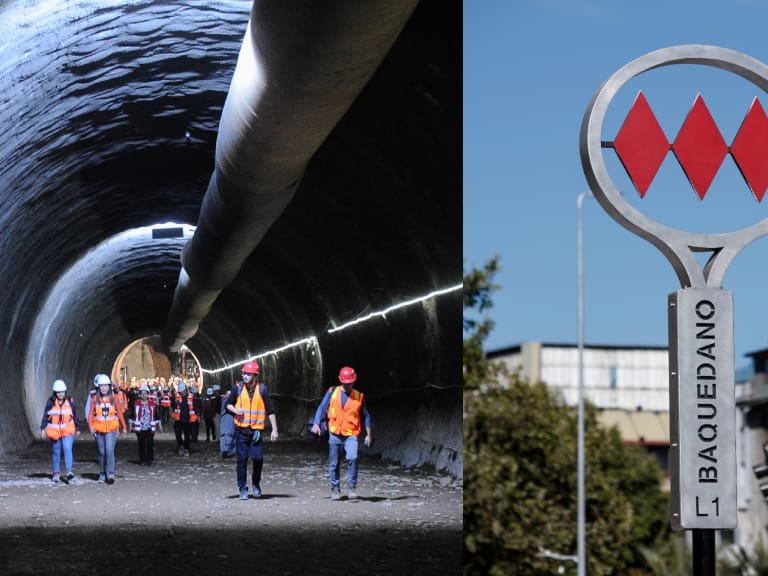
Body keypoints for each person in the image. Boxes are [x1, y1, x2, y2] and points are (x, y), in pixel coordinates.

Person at [312, 366, 371, 500]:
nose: (347, 385)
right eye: (345, 383)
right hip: (335, 433)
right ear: (341, 381)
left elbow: (366, 415)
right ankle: (335, 489)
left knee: (353, 458)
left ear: (353, 381)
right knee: (334, 463)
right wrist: (316, 423)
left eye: (349, 383)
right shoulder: (333, 392)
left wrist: (368, 434)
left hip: (351, 434)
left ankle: (352, 488)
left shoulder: (359, 396)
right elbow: (322, 407)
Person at [225, 361, 278, 500]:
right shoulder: (237, 388)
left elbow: (270, 410)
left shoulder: (262, 390)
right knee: (241, 460)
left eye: (248, 374)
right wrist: (235, 410)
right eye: (244, 373)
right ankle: (242, 488)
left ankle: (256, 483)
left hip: (256, 432)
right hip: (241, 431)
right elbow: (227, 405)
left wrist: (274, 429)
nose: (245, 376)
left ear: (255, 375)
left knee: (258, 459)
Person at [88, 373, 128, 484]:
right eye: (101, 386)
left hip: (111, 429)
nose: (103, 388)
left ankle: (111, 473)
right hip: (99, 429)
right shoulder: (94, 399)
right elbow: (91, 414)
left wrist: (124, 426)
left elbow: (119, 413)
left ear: (109, 386)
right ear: (98, 387)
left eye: (105, 386)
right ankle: (101, 473)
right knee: (101, 452)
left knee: (109, 450)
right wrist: (91, 426)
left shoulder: (114, 398)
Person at [40, 379, 80, 484]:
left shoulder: (70, 401)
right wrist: (43, 428)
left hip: (68, 430)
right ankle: (56, 473)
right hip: (55, 431)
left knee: (67, 449)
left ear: (65, 392)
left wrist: (78, 428)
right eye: (58, 392)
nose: (60, 394)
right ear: (55, 393)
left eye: (62, 392)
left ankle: (69, 472)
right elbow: (46, 416)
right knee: (56, 452)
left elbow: (75, 415)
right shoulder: (50, 402)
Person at [129, 384, 161, 466]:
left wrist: (160, 426)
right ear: (140, 394)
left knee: (150, 443)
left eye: (145, 393)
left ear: (148, 394)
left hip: (150, 427)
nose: (144, 395)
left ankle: (150, 459)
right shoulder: (136, 403)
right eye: (142, 393)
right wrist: (130, 426)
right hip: (139, 428)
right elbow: (132, 415)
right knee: (141, 444)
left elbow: (156, 415)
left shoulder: (152, 404)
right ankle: (142, 460)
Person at [172, 381, 201, 456]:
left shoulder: (191, 396)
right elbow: (173, 405)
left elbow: (196, 406)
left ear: (185, 389)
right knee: (177, 432)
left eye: (183, 391)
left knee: (187, 435)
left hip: (188, 419)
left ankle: (186, 449)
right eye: (180, 391)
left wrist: (197, 416)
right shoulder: (176, 396)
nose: (182, 393)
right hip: (179, 419)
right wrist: (175, 404)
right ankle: (181, 445)